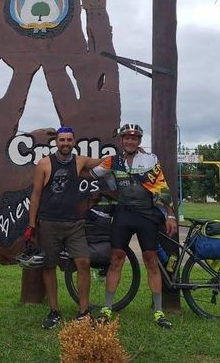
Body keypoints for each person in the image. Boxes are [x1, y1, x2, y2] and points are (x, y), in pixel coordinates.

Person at [90, 123, 178, 328]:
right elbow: (91, 173)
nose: (130, 141)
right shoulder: (113, 161)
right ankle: (108, 308)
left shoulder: (150, 160)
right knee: (116, 260)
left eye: (134, 138)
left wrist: (171, 216)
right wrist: (74, 164)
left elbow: (161, 188)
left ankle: (158, 311)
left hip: (146, 215)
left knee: (151, 261)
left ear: (139, 141)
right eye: (126, 138)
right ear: (121, 141)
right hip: (123, 215)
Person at [27, 126, 106, 329]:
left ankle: (83, 312)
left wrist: (126, 154)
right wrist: (31, 224)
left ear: (73, 142)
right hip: (49, 223)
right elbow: (35, 195)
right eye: (62, 140)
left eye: (69, 140)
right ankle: (54, 311)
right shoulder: (44, 164)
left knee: (83, 262)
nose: (65, 143)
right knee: (49, 266)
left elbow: (103, 163)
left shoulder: (79, 161)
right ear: (56, 142)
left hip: (74, 223)